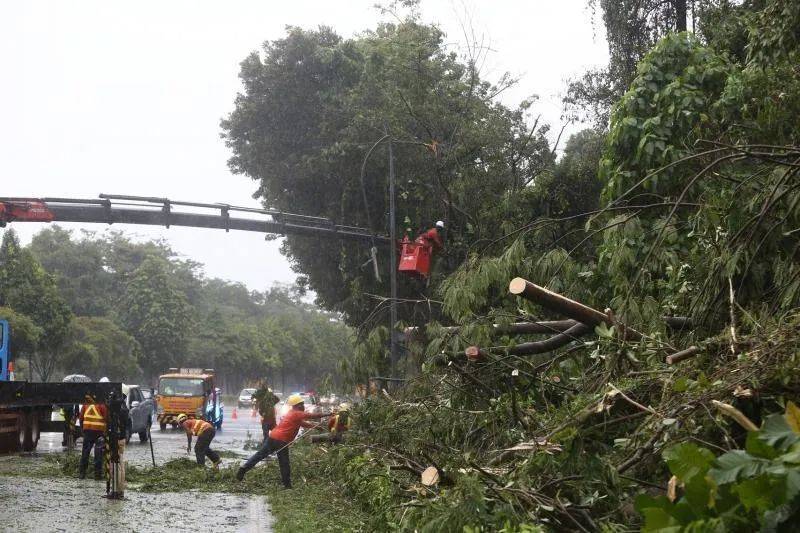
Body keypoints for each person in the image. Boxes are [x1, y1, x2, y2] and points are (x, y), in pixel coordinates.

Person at [236, 394, 329, 488]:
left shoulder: (292, 413)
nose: (303, 406)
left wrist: (315, 426)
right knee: (284, 463)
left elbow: (302, 423)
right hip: (281, 440)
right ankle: (287, 485)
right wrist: (327, 414)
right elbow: (310, 416)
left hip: (273, 437)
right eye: (302, 404)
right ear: (297, 405)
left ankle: (244, 468)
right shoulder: (297, 413)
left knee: (260, 455)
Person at [78, 395, 107, 480]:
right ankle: (97, 476)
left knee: (85, 454)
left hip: (87, 432)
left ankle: (82, 474)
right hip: (99, 432)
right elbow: (106, 418)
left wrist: (83, 430)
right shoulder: (101, 405)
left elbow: (80, 419)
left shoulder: (85, 405)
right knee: (98, 455)